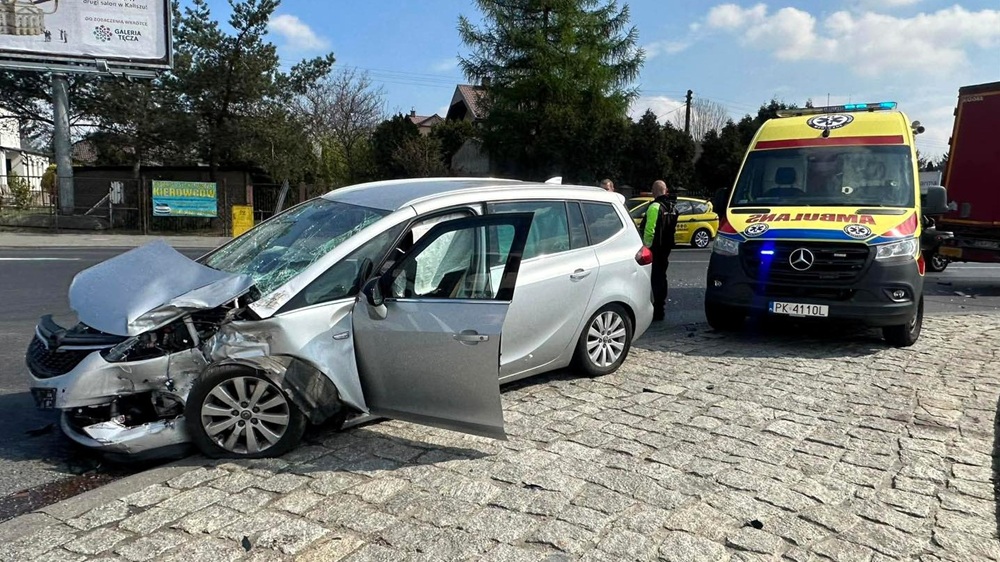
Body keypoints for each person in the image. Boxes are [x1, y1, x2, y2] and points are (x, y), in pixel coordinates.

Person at [639, 180, 677, 321]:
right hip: (666, 249)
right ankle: (660, 308)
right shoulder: (673, 208)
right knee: (662, 277)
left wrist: (646, 247)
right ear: (665, 191)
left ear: (654, 192)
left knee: (653, 278)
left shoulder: (655, 207)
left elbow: (649, 230)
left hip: (655, 249)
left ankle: (653, 310)